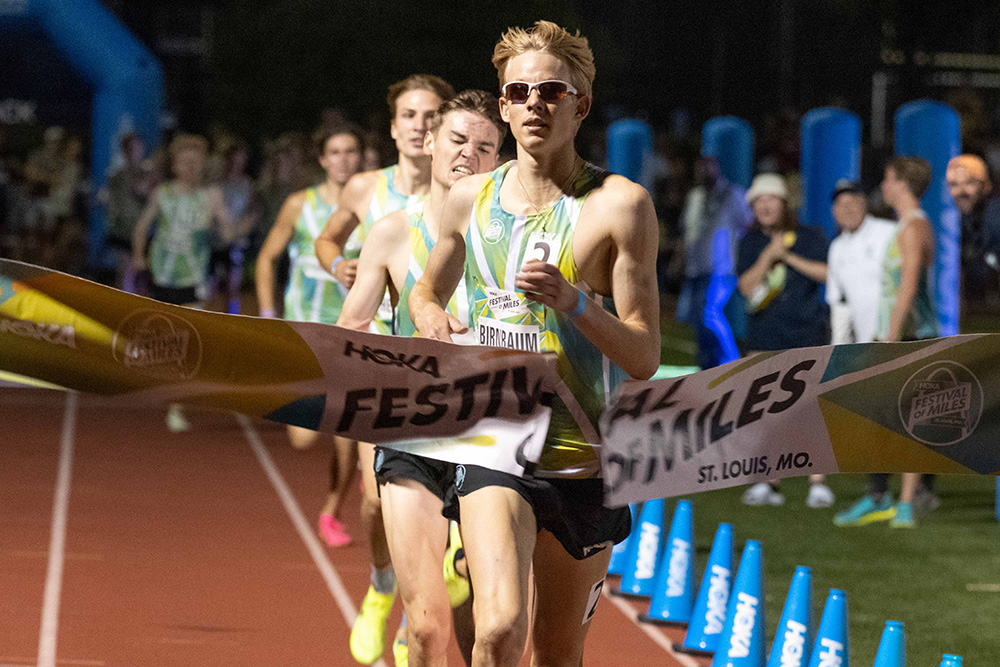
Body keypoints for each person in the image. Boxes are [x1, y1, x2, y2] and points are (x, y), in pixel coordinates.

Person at [409, 21, 660, 666]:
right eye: (518, 92)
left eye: (552, 90)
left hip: (582, 455)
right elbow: (424, 291)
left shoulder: (619, 206)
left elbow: (642, 354)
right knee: (497, 628)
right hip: (492, 438)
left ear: (581, 103)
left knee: (555, 652)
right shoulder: (467, 199)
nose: (534, 104)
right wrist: (431, 313)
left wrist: (575, 303)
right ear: (501, 105)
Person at [338, 88, 505, 667]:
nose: (468, 155)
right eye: (458, 140)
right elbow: (350, 330)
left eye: (485, 148)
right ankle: (383, 590)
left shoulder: (508, 240)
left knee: (489, 622)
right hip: (408, 426)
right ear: (430, 143)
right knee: (426, 623)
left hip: (490, 436)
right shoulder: (390, 232)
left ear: (499, 162)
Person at [314, 74, 455, 666]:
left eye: (431, 115)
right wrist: (343, 266)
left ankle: (414, 624)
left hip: (455, 371)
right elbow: (327, 241)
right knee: (375, 504)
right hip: (382, 367)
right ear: (393, 127)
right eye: (410, 115)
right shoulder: (367, 190)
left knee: (449, 517)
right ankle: (380, 588)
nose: (421, 124)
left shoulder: (467, 191)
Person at [254, 124, 365, 549]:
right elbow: (266, 259)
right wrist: (268, 315)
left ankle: (331, 510)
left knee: (347, 430)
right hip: (304, 328)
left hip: (351, 331)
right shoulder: (299, 205)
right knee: (303, 438)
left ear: (360, 157)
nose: (342, 159)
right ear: (322, 160)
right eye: (334, 152)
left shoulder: (370, 208)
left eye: (350, 150)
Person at [835, 156, 939, 529]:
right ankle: (879, 496)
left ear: (901, 184)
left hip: (909, 336)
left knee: (909, 422)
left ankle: (905, 504)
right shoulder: (909, 225)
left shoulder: (913, 227)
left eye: (887, 178)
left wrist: (890, 335)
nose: (883, 185)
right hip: (901, 333)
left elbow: (909, 284)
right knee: (880, 419)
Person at [736, 173, 834, 508]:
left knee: (809, 413)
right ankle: (768, 481)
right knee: (764, 414)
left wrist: (787, 257)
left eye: (770, 199)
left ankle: (817, 484)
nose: (764, 205)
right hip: (764, 336)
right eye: (757, 201)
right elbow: (746, 287)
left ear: (783, 203)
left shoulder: (808, 236)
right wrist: (768, 256)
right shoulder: (749, 242)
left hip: (806, 333)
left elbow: (827, 272)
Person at [131, 134, 240, 432]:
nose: (190, 167)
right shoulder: (162, 193)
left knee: (187, 340)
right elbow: (142, 227)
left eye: (196, 162)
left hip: (194, 277)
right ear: (175, 165)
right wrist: (139, 257)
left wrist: (237, 227)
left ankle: (176, 407)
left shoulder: (212, 195)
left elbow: (227, 231)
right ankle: (165, 389)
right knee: (163, 338)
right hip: (162, 275)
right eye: (184, 161)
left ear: (203, 165)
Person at [677, 155, 754, 369]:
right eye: (700, 168)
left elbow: (748, 225)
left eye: (708, 167)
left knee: (709, 313)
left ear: (717, 168)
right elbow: (687, 232)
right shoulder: (694, 196)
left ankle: (732, 360)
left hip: (721, 268)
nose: (704, 172)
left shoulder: (732, 194)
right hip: (695, 268)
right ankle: (708, 362)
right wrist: (680, 262)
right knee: (692, 318)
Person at [946, 154, 1000, 307]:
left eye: (970, 182)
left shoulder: (995, 215)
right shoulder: (961, 220)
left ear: (986, 185)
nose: (961, 191)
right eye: (953, 184)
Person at [105, 133, 156, 291]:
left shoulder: (145, 171)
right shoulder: (120, 174)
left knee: (143, 274)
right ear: (126, 150)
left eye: (139, 147)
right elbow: (139, 190)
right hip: (124, 231)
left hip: (144, 231)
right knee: (126, 272)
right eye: (133, 148)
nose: (137, 151)